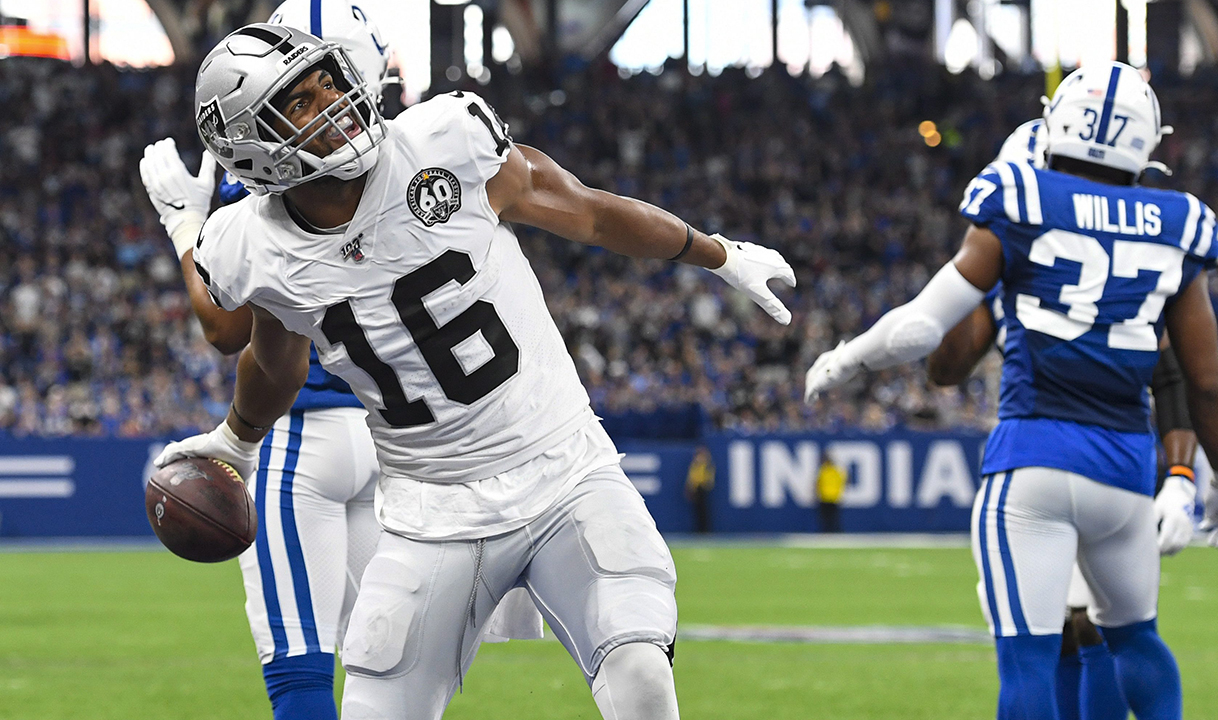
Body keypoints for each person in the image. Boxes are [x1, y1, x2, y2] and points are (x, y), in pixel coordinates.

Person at [157, 22, 794, 720]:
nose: (336, 103)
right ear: (251, 145)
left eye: (329, 82)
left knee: (639, 670)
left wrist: (718, 254)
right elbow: (273, 359)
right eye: (301, 103)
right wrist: (239, 440)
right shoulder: (251, 245)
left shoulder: (443, 141)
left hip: (562, 469)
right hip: (430, 512)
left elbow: (586, 211)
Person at [806, 62, 1218, 719]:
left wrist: (848, 358)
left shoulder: (1019, 194)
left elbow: (924, 328)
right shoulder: (1177, 221)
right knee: (1136, 639)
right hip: (1124, 469)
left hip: (1033, 456)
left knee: (1028, 659)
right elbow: (1207, 382)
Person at [137, 5, 540, 720]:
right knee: (390, 674)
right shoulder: (422, 146)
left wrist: (184, 230)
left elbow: (227, 331)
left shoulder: (279, 165)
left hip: (302, 437)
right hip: (402, 441)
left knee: (301, 675)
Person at [927, 118, 1203, 720]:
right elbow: (945, 366)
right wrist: (963, 284)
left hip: (1067, 456)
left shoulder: (1092, 256)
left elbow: (1174, 375)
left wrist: (1183, 477)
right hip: (1082, 456)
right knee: (1069, 628)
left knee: (1081, 627)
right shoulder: (1018, 257)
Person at [684, 446, 715, 533]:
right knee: (697, 511)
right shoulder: (695, 465)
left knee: (704, 510)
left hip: (702, 489)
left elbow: (709, 479)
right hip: (696, 489)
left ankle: (705, 529)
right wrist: (690, 488)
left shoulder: (706, 465)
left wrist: (704, 485)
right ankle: (699, 529)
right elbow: (691, 478)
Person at [815, 451, 845, 533]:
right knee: (832, 517)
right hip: (833, 496)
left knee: (828, 517)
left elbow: (817, 483)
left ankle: (829, 532)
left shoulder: (823, 470)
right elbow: (844, 481)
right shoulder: (837, 471)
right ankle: (835, 532)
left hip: (826, 496)